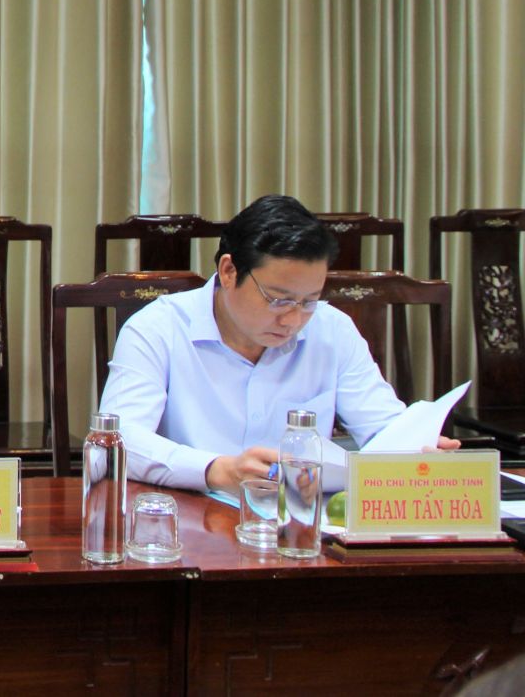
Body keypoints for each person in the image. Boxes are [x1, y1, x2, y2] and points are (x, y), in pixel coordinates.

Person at [97, 194, 458, 493]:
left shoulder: (333, 330)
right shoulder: (157, 328)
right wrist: (216, 470)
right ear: (229, 271)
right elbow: (117, 439)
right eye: (278, 299)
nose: (293, 319)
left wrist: (416, 448)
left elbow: (383, 429)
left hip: (303, 528)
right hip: (189, 525)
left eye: (308, 301)